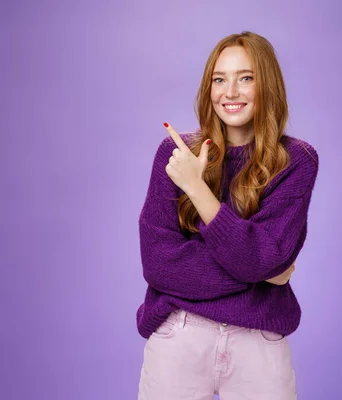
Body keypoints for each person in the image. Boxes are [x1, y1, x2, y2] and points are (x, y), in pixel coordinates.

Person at [136, 31, 319, 400]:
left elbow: (261, 259)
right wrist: (265, 271)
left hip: (259, 344)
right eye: (219, 79)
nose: (230, 92)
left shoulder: (296, 161)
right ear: (208, 88)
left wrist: (197, 189)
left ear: (267, 85)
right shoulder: (175, 155)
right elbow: (159, 263)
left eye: (245, 78)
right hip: (180, 336)